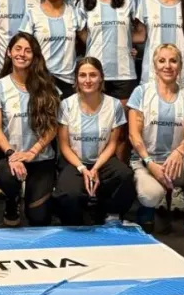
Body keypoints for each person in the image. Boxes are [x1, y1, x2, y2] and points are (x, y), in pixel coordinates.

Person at [128, 44, 184, 238]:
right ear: (154, 66)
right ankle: (150, 204)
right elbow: (134, 135)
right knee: (150, 196)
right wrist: (149, 163)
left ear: (180, 66)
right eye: (162, 61)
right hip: (147, 163)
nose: (168, 66)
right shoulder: (141, 93)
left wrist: (179, 152)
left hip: (176, 163)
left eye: (173, 61)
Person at [0, 32, 60, 226]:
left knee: (39, 218)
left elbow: (52, 127)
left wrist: (32, 152)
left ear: (35, 56)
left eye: (28, 51)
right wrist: (12, 154)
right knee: (7, 176)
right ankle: (11, 199)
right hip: (10, 156)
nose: (22, 54)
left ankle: (35, 193)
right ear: (9, 53)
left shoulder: (47, 85)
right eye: (18, 49)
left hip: (40, 157)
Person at [56, 57, 136, 224]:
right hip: (75, 162)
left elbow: (113, 143)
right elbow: (64, 145)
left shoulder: (114, 105)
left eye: (93, 75)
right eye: (82, 75)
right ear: (76, 79)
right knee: (68, 195)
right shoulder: (66, 105)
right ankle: (76, 219)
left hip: (103, 161)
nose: (87, 80)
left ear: (101, 78)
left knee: (125, 175)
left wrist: (96, 168)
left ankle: (111, 214)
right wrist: (83, 168)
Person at [78, 0, 145, 103]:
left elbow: (141, 34)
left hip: (125, 73)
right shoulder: (84, 3)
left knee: (122, 124)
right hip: (93, 73)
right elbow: (82, 35)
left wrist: (124, 42)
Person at [19, 0, 84, 97]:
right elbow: (22, 48)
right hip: (40, 79)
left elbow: (90, 42)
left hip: (68, 81)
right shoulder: (32, 14)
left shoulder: (74, 12)